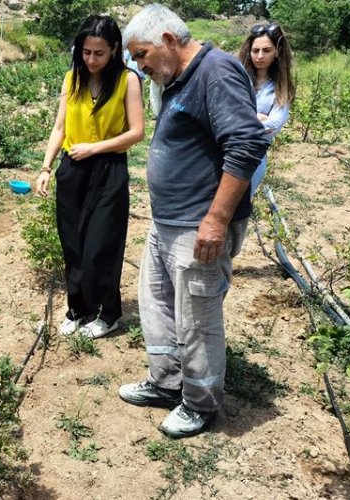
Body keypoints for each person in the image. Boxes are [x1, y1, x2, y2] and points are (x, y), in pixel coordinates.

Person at [118, 4, 270, 438]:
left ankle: (201, 402)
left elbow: (245, 144)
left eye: (143, 54)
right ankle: (167, 382)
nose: (141, 66)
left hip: (198, 226)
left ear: (168, 40)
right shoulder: (179, 78)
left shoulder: (215, 72)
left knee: (197, 317)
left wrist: (216, 220)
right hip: (167, 221)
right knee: (158, 304)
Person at [35, 15, 144, 339]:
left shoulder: (128, 80)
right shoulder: (73, 80)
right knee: (74, 246)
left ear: (113, 49)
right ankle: (78, 309)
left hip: (109, 170)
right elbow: (60, 128)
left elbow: (136, 132)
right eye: (86, 52)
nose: (91, 60)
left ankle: (109, 314)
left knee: (102, 247)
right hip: (73, 170)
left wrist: (95, 148)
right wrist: (45, 168)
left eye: (98, 53)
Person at [238, 22, 296, 198]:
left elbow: (272, 127)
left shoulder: (280, 88)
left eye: (266, 50)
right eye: (255, 50)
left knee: (238, 211)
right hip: (221, 155)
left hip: (254, 158)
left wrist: (240, 119)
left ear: (277, 52)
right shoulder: (237, 77)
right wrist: (258, 117)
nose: (260, 56)